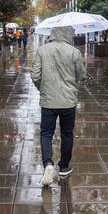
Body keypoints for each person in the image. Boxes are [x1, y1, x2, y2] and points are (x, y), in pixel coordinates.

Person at [31, 25, 86, 186]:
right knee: (67, 134)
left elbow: (35, 74)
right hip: (68, 101)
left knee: (46, 133)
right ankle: (63, 166)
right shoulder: (74, 52)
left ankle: (48, 162)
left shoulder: (42, 50)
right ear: (69, 34)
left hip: (48, 101)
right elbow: (81, 75)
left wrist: (43, 88)